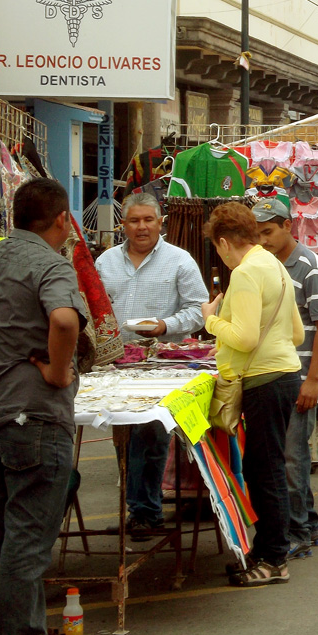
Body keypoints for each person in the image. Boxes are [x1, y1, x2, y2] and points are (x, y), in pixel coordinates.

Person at [0, 179, 87, 635]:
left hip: (1, 415)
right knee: (27, 545)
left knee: (4, 541)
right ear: (61, 221)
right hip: (33, 416)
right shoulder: (50, 263)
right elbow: (65, 318)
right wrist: (57, 371)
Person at [201, 202, 305, 586]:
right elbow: (295, 333)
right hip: (283, 374)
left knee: (266, 472)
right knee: (269, 468)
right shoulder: (275, 264)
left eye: (218, 249)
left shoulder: (245, 273)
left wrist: (210, 319)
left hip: (264, 379)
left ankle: (275, 559)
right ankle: (267, 550)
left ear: (225, 242)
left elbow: (243, 338)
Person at [96, 192, 209, 539]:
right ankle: (140, 507)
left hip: (160, 363)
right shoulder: (105, 262)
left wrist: (163, 326)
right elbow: (93, 309)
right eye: (134, 220)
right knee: (123, 436)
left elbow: (198, 311)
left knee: (151, 433)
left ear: (160, 222)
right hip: (115, 364)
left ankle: (146, 511)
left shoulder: (180, 260)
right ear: (123, 224)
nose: (141, 227)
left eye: (148, 220)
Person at [254, 197, 318, 559]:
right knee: (291, 454)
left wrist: (312, 380)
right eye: (257, 233)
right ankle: (308, 523)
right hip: (279, 373)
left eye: (268, 232)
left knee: (292, 456)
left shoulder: (309, 265)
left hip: (299, 374)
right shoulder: (265, 264)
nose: (263, 239)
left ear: (288, 226)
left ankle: (297, 530)